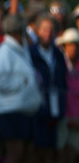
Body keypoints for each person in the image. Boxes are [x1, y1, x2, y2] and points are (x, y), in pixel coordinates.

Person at [0, 14, 41, 163]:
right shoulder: (4, 51)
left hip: (22, 110)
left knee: (25, 153)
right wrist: (22, 83)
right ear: (18, 33)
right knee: (15, 153)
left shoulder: (19, 49)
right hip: (9, 110)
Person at [29, 14, 68, 163]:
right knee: (37, 148)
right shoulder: (31, 53)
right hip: (37, 106)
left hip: (56, 106)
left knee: (53, 149)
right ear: (38, 31)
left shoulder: (58, 54)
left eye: (51, 30)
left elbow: (62, 80)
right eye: (44, 29)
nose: (47, 33)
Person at [56, 28, 79, 163]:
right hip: (61, 117)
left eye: (75, 45)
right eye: (70, 45)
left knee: (72, 154)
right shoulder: (59, 64)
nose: (73, 48)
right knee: (60, 154)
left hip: (76, 118)